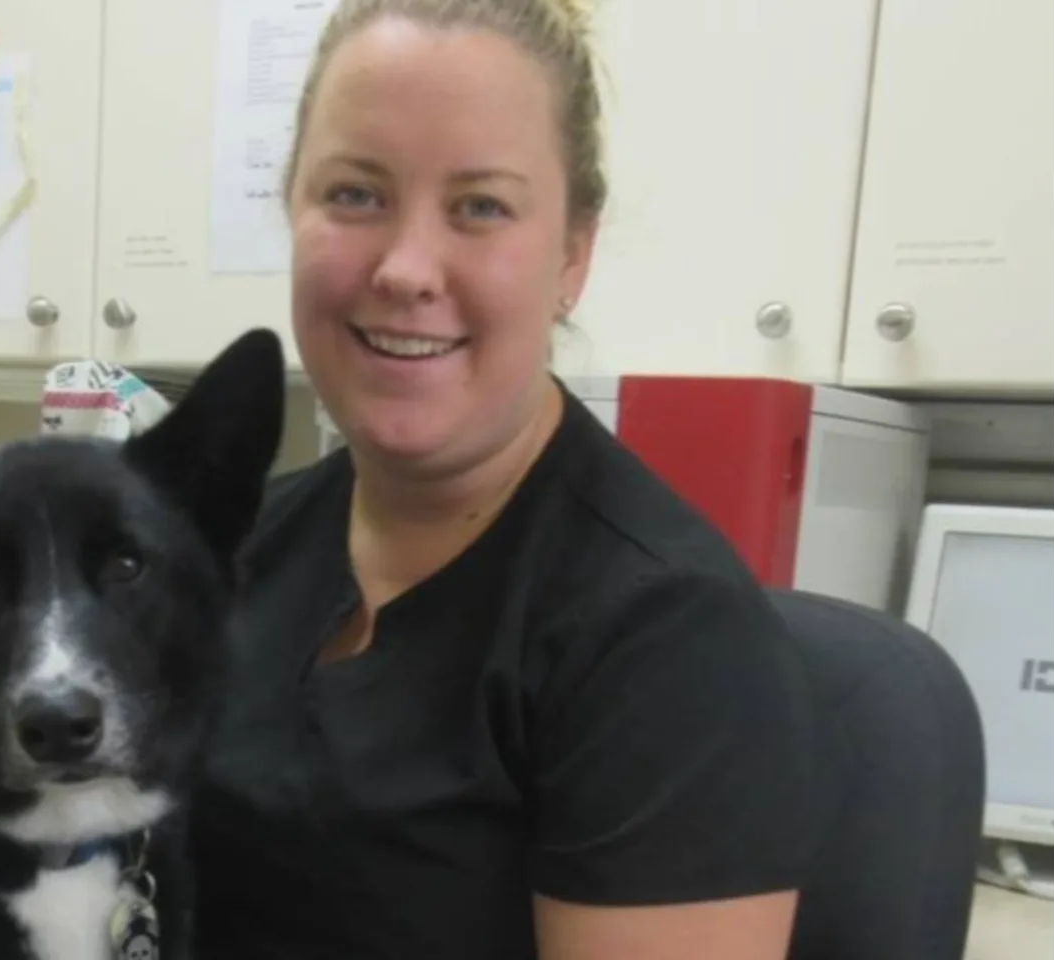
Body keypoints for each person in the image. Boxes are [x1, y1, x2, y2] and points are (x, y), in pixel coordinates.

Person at [187, 1, 825, 957]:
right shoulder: (225, 553)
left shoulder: (665, 640)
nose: (406, 268)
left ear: (572, 255)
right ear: (292, 208)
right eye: (356, 194)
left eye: (480, 207)